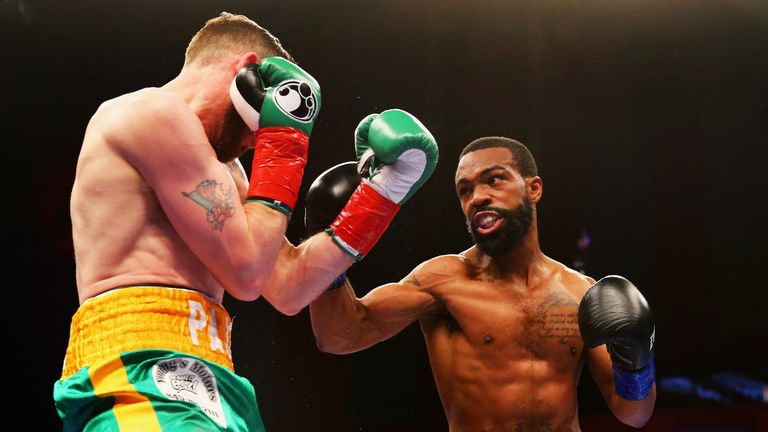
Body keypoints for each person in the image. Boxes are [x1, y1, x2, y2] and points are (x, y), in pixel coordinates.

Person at [54, 11, 439, 432]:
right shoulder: (149, 113)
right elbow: (247, 274)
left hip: (211, 378)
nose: (258, 137)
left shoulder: (229, 171)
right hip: (139, 369)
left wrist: (383, 194)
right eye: (263, 121)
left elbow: (290, 287)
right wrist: (286, 145)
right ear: (247, 73)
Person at [309, 136, 656, 431]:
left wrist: (636, 360)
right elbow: (338, 335)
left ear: (533, 189)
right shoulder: (443, 280)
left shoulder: (580, 291)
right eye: (465, 189)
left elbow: (633, 414)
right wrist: (325, 246)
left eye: (494, 180)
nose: (476, 197)